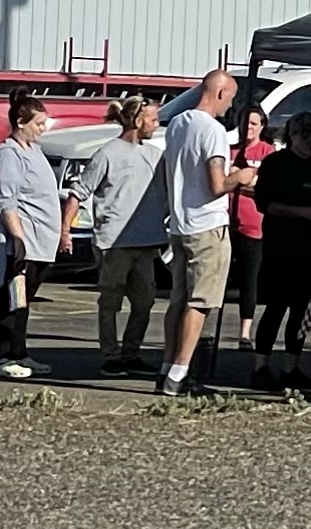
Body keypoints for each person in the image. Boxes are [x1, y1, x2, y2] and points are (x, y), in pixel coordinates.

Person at [159, 65, 244, 398]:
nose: (230, 106)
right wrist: (243, 176)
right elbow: (217, 184)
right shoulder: (213, 130)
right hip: (206, 225)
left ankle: (167, 366)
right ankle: (179, 374)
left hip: (180, 223)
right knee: (201, 301)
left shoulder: (177, 124)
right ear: (220, 93)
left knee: (179, 300)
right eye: (230, 98)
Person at [81, 96, 171, 376]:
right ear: (138, 121)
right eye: (153, 119)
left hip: (146, 243)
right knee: (110, 301)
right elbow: (80, 191)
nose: (156, 125)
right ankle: (111, 355)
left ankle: (131, 353)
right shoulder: (108, 154)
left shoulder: (155, 156)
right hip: (114, 243)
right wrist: (64, 231)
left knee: (144, 301)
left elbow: (170, 190)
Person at [252, 110, 311, 392]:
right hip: (280, 246)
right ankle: (260, 366)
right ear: (294, 135)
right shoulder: (275, 164)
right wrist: (302, 212)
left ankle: (292, 367)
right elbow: (265, 204)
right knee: (276, 307)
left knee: (302, 311)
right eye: (308, 138)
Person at [0, 95, 64, 379]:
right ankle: (2, 357)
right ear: (20, 122)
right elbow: (6, 202)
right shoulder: (8, 154)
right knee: (9, 301)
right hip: (20, 246)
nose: (43, 129)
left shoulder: (34, 151)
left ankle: (19, 353)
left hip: (41, 244)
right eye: (38, 124)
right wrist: (18, 239)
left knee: (23, 301)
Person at [222, 103, 272, 363]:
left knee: (248, 279)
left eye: (254, 123)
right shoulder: (229, 150)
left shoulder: (268, 152)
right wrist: (240, 178)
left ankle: (245, 332)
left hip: (254, 225)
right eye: (245, 123)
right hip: (226, 222)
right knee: (220, 277)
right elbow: (221, 181)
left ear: (262, 126)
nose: (249, 128)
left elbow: (265, 186)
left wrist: (241, 179)